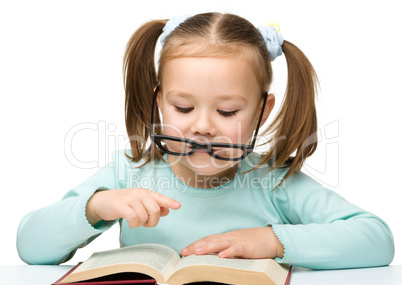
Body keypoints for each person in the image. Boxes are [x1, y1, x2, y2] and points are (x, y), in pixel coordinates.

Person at [17, 12, 394, 269]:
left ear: (262, 112)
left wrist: (272, 241)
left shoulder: (271, 180)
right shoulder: (127, 171)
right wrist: (97, 205)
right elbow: (29, 246)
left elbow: (377, 239)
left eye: (227, 112)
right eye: (182, 107)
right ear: (159, 101)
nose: (202, 127)